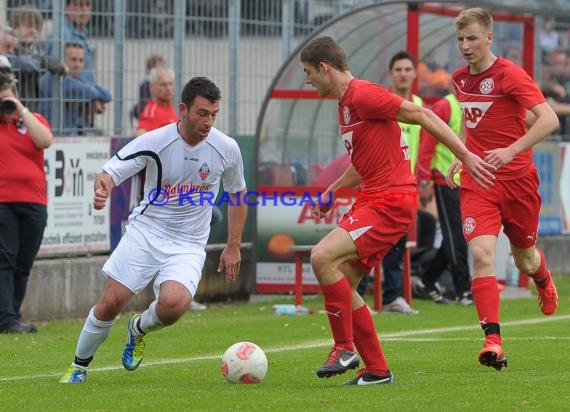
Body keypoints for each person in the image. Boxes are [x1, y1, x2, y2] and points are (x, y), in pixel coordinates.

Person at [300, 36, 494, 385]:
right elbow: (361, 165)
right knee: (344, 280)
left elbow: (421, 113)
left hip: (388, 201)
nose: (307, 80)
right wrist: (331, 191)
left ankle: (344, 347)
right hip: (374, 198)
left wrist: (465, 155)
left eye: (309, 72)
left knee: (321, 256)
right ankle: (376, 370)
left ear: (325, 68)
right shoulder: (346, 104)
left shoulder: (362, 93)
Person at [59, 76, 248, 383]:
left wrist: (233, 245)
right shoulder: (156, 141)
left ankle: (138, 329)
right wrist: (101, 189)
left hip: (188, 243)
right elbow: (110, 171)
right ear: (183, 110)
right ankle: (78, 368)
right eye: (202, 113)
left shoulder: (226, 147)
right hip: (147, 232)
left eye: (214, 114)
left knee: (174, 306)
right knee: (112, 301)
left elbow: (238, 194)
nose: (209, 121)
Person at [448, 8, 559, 371]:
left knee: (524, 259)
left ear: (490, 37)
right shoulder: (459, 80)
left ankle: (541, 277)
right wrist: (463, 155)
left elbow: (549, 119)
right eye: (461, 39)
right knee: (482, 255)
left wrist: (512, 149)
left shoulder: (510, 75)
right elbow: (473, 124)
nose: (466, 46)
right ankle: (492, 339)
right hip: (479, 181)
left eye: (473, 38)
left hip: (518, 183)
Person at [0, 69, 53, 333]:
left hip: (34, 202)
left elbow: (45, 140)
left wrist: (19, 109)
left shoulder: (33, 120)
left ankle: (12, 315)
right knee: (5, 259)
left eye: (8, 98)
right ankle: (7, 319)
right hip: (4, 201)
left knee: (23, 263)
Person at [415, 92, 473, 306]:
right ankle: (463, 290)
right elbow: (426, 146)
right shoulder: (445, 106)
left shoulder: (476, 104)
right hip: (444, 180)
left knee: (456, 235)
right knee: (456, 234)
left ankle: (427, 280)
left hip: (467, 180)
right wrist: (425, 181)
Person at [39, 42, 111, 136]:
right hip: (51, 136)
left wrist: (94, 98)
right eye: (73, 60)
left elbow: (107, 95)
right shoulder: (53, 78)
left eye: (81, 60)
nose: (77, 64)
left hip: (67, 136)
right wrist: (94, 98)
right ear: (63, 60)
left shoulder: (76, 79)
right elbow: (89, 92)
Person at [9, 5, 67, 113]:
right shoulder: (10, 48)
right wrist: (50, 63)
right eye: (28, 26)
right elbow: (28, 63)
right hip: (12, 107)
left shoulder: (39, 48)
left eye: (36, 27)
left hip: (31, 107)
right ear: (14, 27)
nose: (33, 30)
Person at [47, 0, 95, 83]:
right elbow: (60, 77)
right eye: (78, 4)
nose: (84, 9)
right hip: (73, 94)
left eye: (87, 4)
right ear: (67, 8)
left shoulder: (83, 33)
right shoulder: (61, 35)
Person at [135, 67, 178, 136]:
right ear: (151, 88)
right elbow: (141, 135)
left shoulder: (170, 107)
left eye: (170, 84)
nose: (168, 88)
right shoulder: (150, 113)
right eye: (163, 85)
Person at [130, 54, 166, 122]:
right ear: (151, 68)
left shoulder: (164, 82)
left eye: (162, 66)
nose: (161, 69)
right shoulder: (146, 83)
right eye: (158, 66)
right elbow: (144, 102)